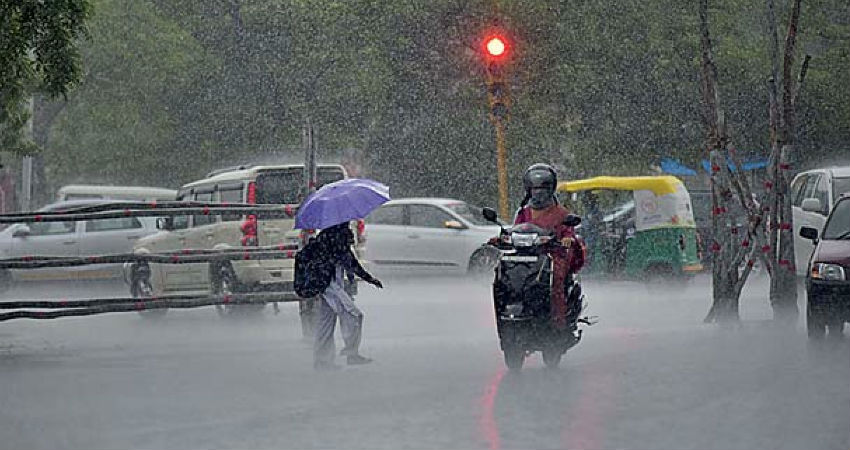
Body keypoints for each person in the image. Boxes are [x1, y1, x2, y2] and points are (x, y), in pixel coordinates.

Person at [514, 163, 585, 330]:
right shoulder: (523, 212)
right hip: (527, 256)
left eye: (543, 189)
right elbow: (515, 230)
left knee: (556, 278)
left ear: (550, 190)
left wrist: (567, 238)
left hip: (552, 255)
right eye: (534, 189)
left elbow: (569, 232)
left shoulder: (561, 213)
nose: (538, 193)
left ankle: (558, 322)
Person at [312, 222, 383, 370]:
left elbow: (348, 262)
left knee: (326, 323)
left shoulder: (327, 235)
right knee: (354, 315)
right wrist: (369, 279)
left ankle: (322, 361)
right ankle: (351, 353)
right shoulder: (335, 236)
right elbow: (350, 261)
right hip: (329, 285)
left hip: (326, 284)